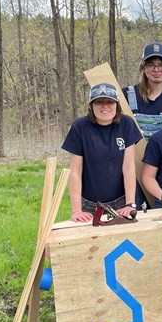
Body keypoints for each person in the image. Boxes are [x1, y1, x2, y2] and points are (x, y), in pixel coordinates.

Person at [62, 83, 142, 222]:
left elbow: (128, 167)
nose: (105, 106)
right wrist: (76, 210)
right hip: (90, 205)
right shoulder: (79, 127)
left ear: (117, 104)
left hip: (121, 202)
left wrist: (130, 203)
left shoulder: (126, 124)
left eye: (110, 101)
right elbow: (75, 171)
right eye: (99, 102)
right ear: (90, 105)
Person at [123, 41, 162, 140]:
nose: (156, 69)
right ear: (143, 68)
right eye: (150, 65)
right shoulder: (124, 95)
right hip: (131, 155)